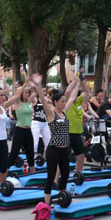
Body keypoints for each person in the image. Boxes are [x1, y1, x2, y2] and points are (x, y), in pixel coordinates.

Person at [30, 73, 80, 205]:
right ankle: (46, 203)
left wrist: (77, 83)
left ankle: (61, 197)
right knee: (51, 176)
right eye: (62, 101)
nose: (64, 103)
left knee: (66, 175)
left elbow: (72, 97)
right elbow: (42, 99)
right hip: (53, 150)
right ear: (55, 102)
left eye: (64, 101)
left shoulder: (64, 112)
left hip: (64, 150)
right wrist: (38, 84)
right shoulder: (51, 114)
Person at [7, 81, 36, 173]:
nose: (27, 94)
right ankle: (4, 172)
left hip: (28, 131)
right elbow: (17, 94)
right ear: (21, 94)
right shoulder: (18, 102)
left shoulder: (29, 102)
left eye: (28, 93)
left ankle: (33, 172)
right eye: (25, 93)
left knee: (30, 153)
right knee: (14, 154)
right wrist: (25, 85)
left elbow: (36, 91)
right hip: (19, 130)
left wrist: (34, 84)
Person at [65, 68, 90, 173]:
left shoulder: (78, 102)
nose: (75, 95)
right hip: (67, 133)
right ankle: (60, 176)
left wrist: (82, 80)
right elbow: (67, 92)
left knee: (80, 158)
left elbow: (87, 92)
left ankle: (78, 175)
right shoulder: (67, 102)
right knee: (64, 158)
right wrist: (76, 82)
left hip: (77, 134)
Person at [31, 93, 50, 158]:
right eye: (42, 91)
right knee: (35, 143)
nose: (44, 92)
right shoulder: (35, 99)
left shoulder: (46, 100)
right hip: (36, 122)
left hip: (45, 123)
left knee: (48, 142)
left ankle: (48, 157)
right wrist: (36, 91)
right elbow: (30, 99)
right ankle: (33, 157)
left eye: (45, 91)